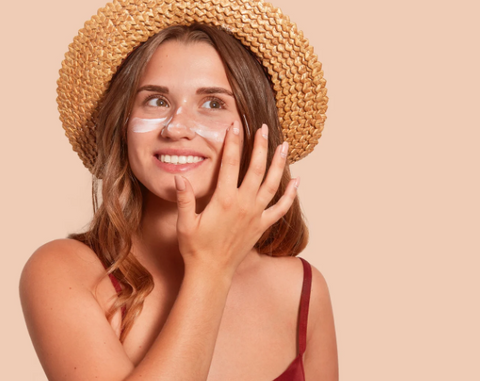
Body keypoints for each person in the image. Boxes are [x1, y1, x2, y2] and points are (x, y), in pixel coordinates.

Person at [20, 0, 337, 380]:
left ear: (257, 132)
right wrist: (210, 269)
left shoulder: (303, 290)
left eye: (213, 103)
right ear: (123, 125)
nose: (176, 127)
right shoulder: (65, 271)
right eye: (156, 100)